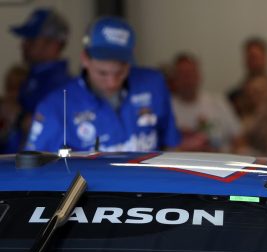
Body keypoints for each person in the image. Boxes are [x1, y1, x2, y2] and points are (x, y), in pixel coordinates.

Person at [25, 16, 179, 152]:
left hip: (148, 184)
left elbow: (171, 147)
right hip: (85, 186)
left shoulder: (153, 84)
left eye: (120, 72)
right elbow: (35, 172)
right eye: (102, 73)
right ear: (85, 59)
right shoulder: (56, 105)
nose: (112, 82)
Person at [6, 8, 71, 153]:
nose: (23, 45)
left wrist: (18, 117)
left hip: (37, 171)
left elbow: (54, 131)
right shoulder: (32, 77)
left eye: (31, 40)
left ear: (53, 44)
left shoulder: (60, 85)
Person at [170, 53, 241, 152]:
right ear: (174, 78)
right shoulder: (167, 107)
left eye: (191, 73)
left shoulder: (219, 102)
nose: (187, 79)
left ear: (199, 75)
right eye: (183, 74)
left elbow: (239, 138)